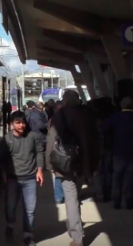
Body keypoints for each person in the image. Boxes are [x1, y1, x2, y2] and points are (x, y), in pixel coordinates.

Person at [46, 90, 100, 246]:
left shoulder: (58, 116)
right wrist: (93, 163)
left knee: (71, 198)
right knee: (74, 198)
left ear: (64, 100)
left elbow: (51, 142)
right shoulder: (87, 116)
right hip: (83, 163)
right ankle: (74, 228)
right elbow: (95, 141)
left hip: (64, 164)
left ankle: (77, 236)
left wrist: (50, 165)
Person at [0, 111, 45, 246]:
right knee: (11, 207)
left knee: (30, 209)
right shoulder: (6, 140)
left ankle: (28, 234)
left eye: (23, 122)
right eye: (17, 123)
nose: (21, 125)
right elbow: (0, 159)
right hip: (13, 179)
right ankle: (10, 227)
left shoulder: (33, 136)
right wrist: (4, 175)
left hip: (30, 178)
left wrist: (40, 169)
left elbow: (39, 152)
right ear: (11, 124)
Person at [102, 96, 133, 209]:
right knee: (130, 177)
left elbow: (104, 130)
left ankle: (116, 202)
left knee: (117, 177)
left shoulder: (115, 118)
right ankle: (129, 202)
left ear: (121, 106)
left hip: (118, 152)